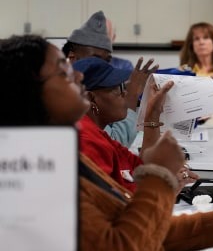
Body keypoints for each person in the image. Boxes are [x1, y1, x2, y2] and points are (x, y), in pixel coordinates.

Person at [0, 34, 213, 251]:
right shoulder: (32, 175)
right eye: (63, 71)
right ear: (29, 92)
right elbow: (125, 248)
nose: (77, 77)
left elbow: (131, 227)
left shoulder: (57, 156)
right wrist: (159, 177)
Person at [73, 57, 194, 193]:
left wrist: (153, 113)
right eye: (116, 89)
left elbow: (140, 168)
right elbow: (116, 204)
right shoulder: (88, 142)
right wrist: (164, 187)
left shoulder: (96, 133)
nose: (125, 93)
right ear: (91, 98)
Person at [63, 10, 158, 147]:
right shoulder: (68, 96)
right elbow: (113, 143)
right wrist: (132, 95)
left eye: (107, 60)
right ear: (72, 57)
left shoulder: (97, 85)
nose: (102, 66)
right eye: (95, 58)